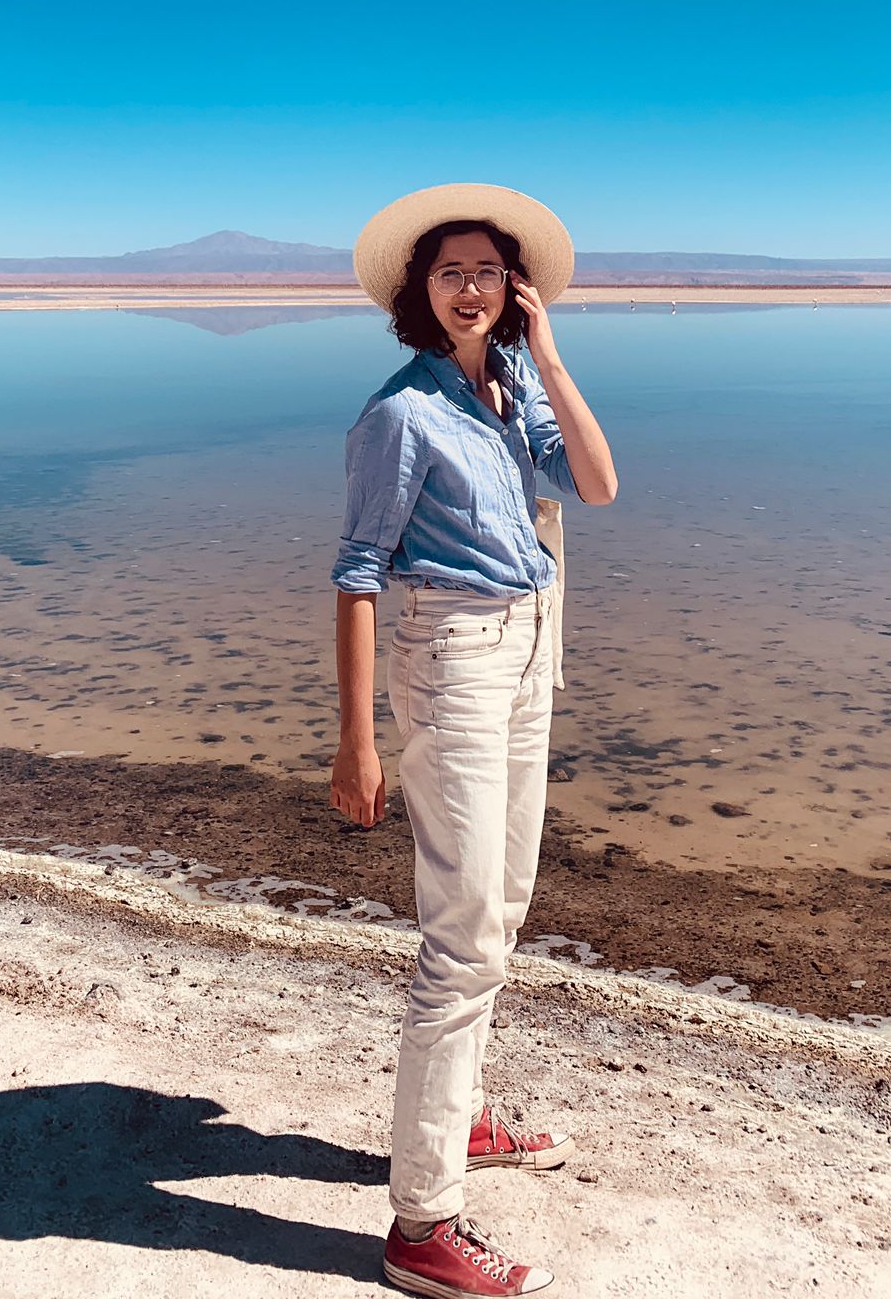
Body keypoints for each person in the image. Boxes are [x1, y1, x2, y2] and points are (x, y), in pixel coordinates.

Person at [330, 183, 618, 1298]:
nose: (468, 287)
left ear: (514, 287)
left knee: (500, 910)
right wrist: (358, 743)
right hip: (451, 657)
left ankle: (456, 1120)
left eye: (487, 272)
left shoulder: (507, 390)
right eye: (448, 271)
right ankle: (423, 1222)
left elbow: (595, 483)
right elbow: (357, 577)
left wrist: (546, 353)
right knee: (462, 935)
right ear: (420, 289)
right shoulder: (400, 414)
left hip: (529, 646)